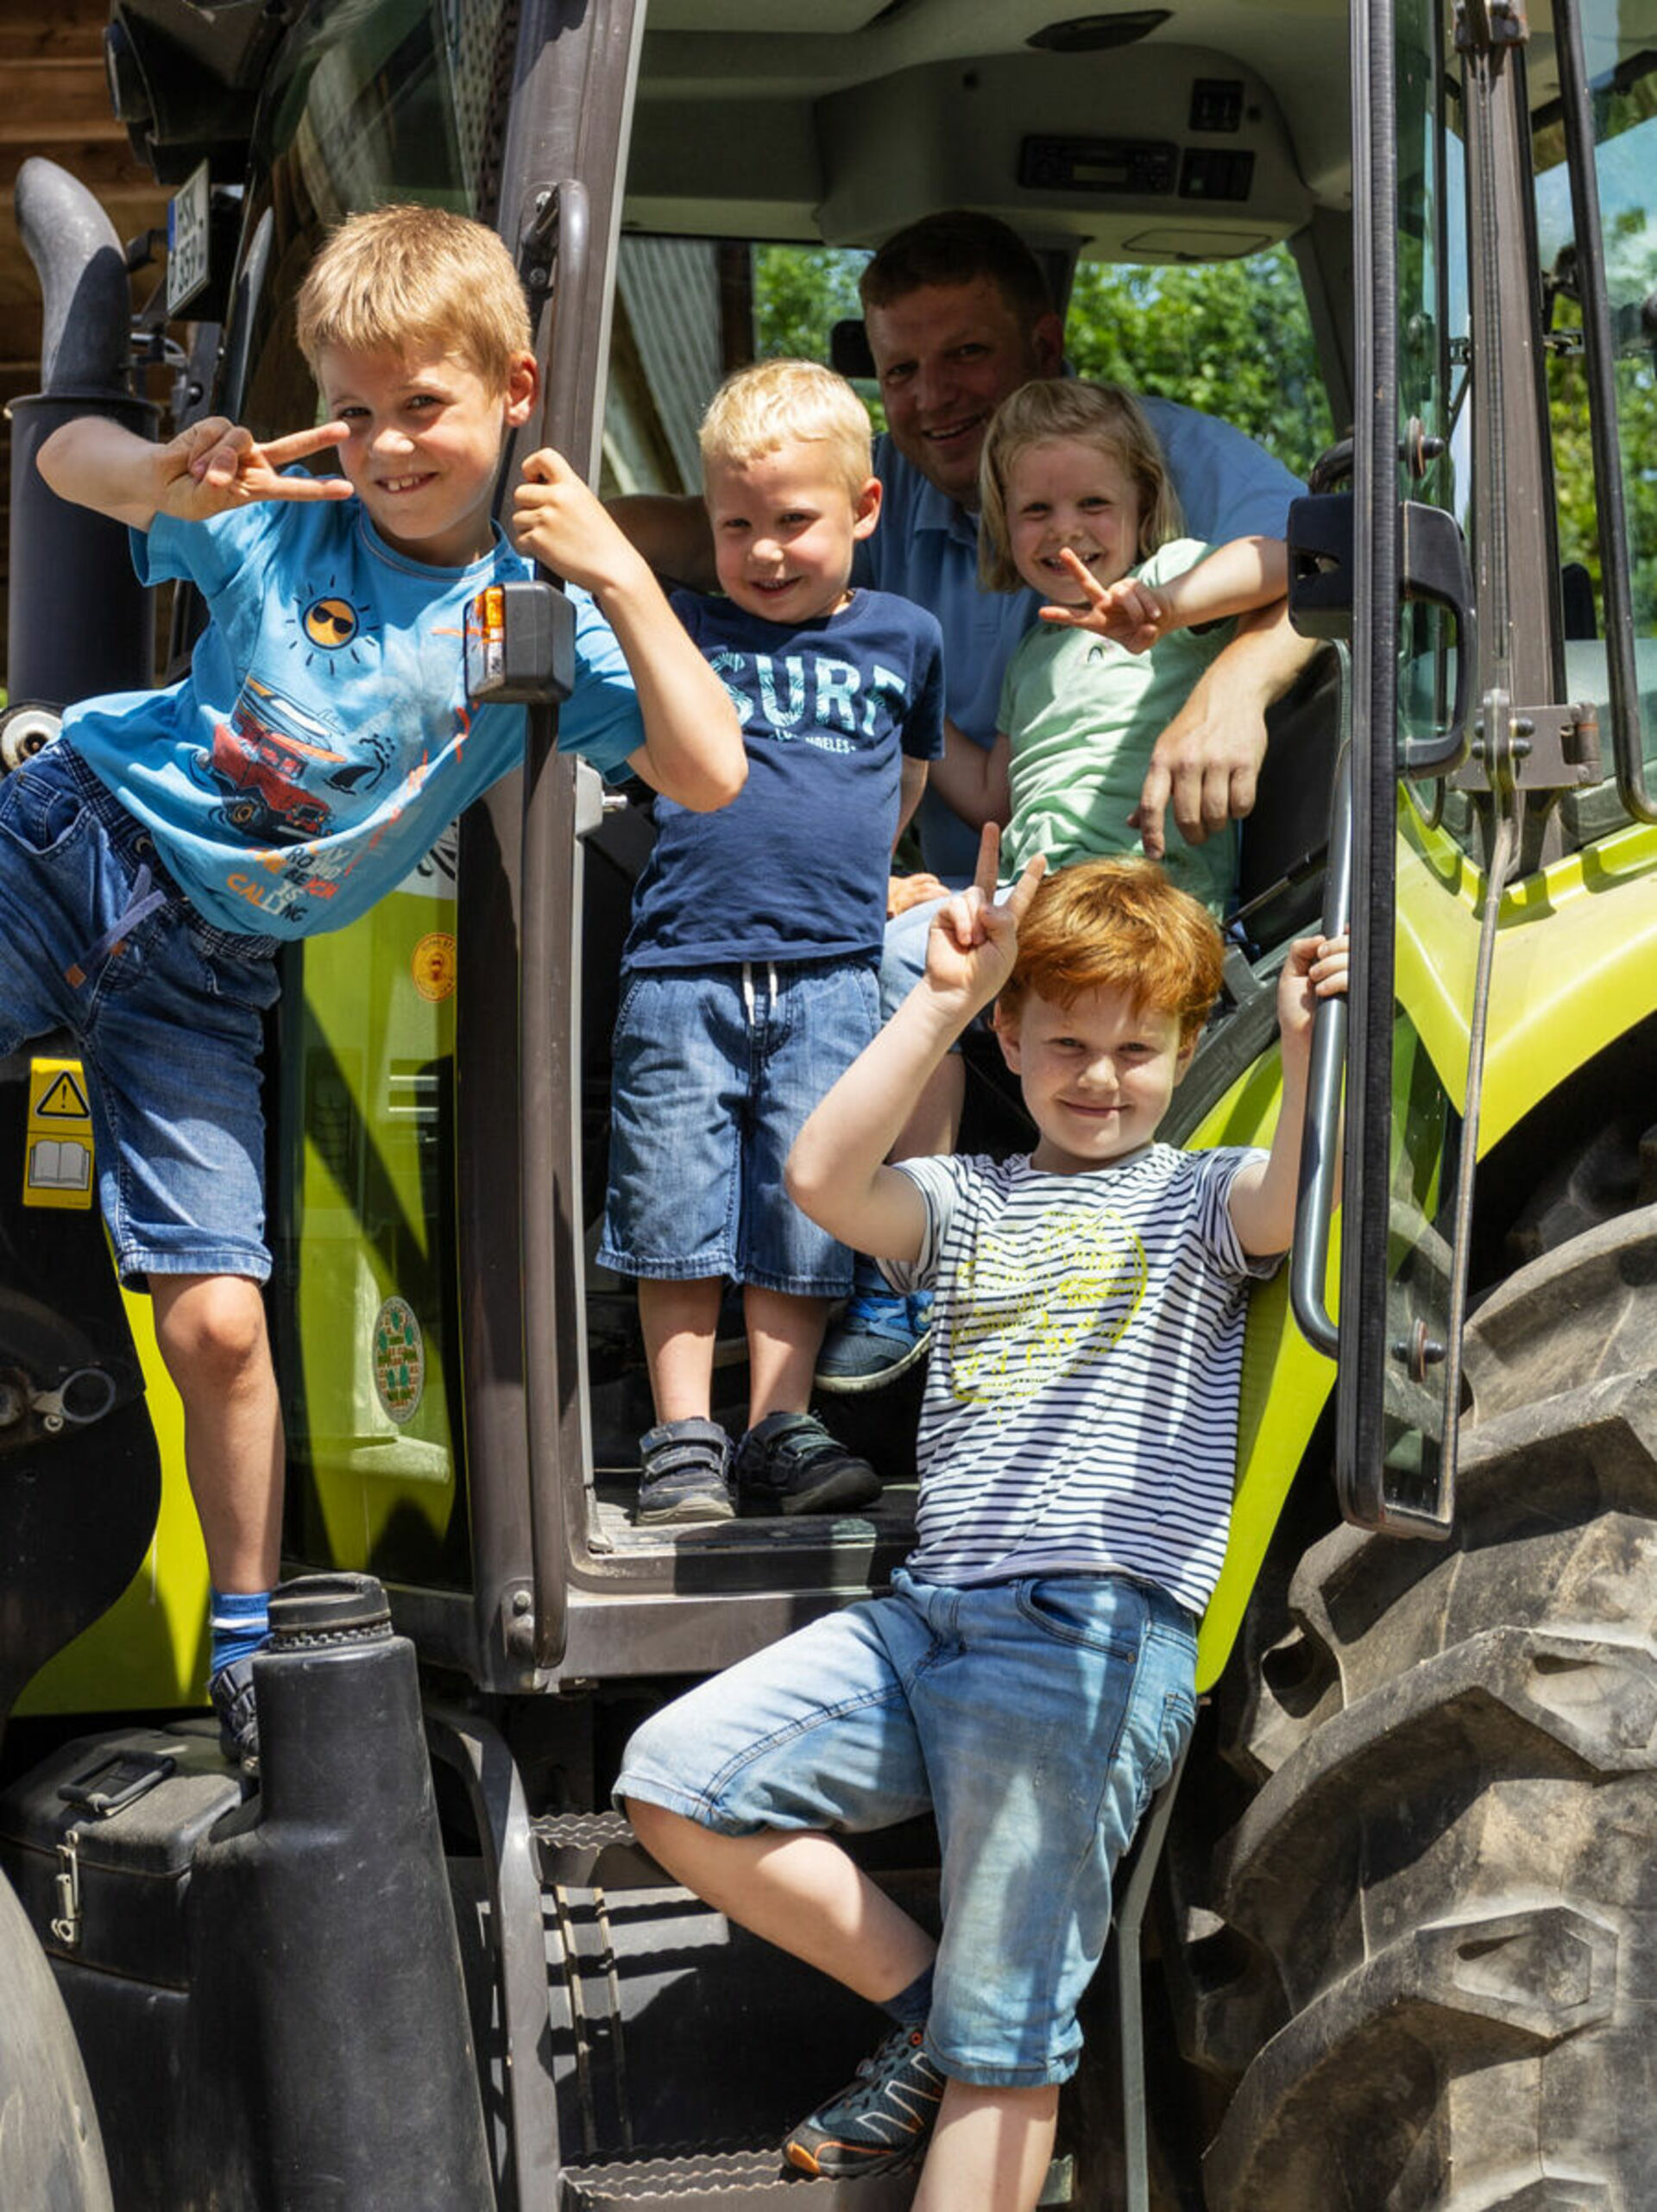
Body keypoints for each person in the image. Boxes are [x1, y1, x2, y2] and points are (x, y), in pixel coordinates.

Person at [16, 202, 744, 1773]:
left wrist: (623, 569)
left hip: (206, 975)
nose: (386, 443)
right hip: (69, 847)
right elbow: (66, 463)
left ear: (517, 389)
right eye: (356, 409)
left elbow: (709, 763)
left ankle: (248, 1643)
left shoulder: (529, 621)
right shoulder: (279, 522)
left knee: (217, 1319)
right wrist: (162, 468)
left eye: (424, 405)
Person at [614, 829, 1348, 2210]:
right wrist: (941, 997)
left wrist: (1306, 1053)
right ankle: (925, 2010)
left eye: (1138, 1051)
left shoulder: (1194, 1199)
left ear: (1186, 1053)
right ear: (1013, 1044)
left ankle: (966, 2039)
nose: (1102, 1079)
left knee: (1007, 2054)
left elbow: (1284, 1201)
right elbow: (822, 1178)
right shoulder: (965, 1199)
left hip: (1079, 1635)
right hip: (927, 1619)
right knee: (677, 1777)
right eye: (1067, 1045)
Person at [597, 358, 944, 1525]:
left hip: (835, 971)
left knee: (803, 1201)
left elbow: (906, 780)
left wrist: (858, 881)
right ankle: (684, 1438)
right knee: (676, 1201)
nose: (766, 552)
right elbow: (606, 546)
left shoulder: (905, 639)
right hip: (681, 966)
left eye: (795, 521)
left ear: (864, 509)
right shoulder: (683, 625)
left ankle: (777, 1432)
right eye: (735, 525)